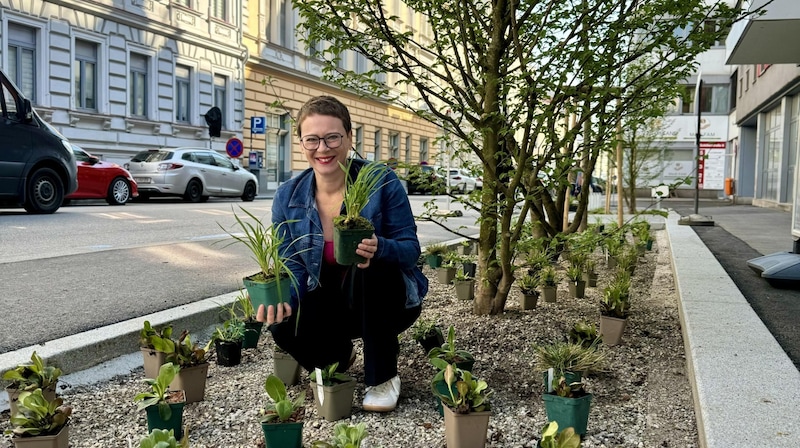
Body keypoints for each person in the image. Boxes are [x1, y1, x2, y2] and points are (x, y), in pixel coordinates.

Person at [257, 95, 428, 412]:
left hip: (383, 301)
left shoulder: (380, 181)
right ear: (302, 143)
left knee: (371, 266)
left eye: (333, 137)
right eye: (312, 139)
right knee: (281, 321)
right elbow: (291, 265)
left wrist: (381, 247)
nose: (323, 148)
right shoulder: (287, 196)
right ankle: (335, 356)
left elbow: (410, 250)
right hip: (326, 303)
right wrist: (284, 299)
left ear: (349, 138)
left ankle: (383, 377)